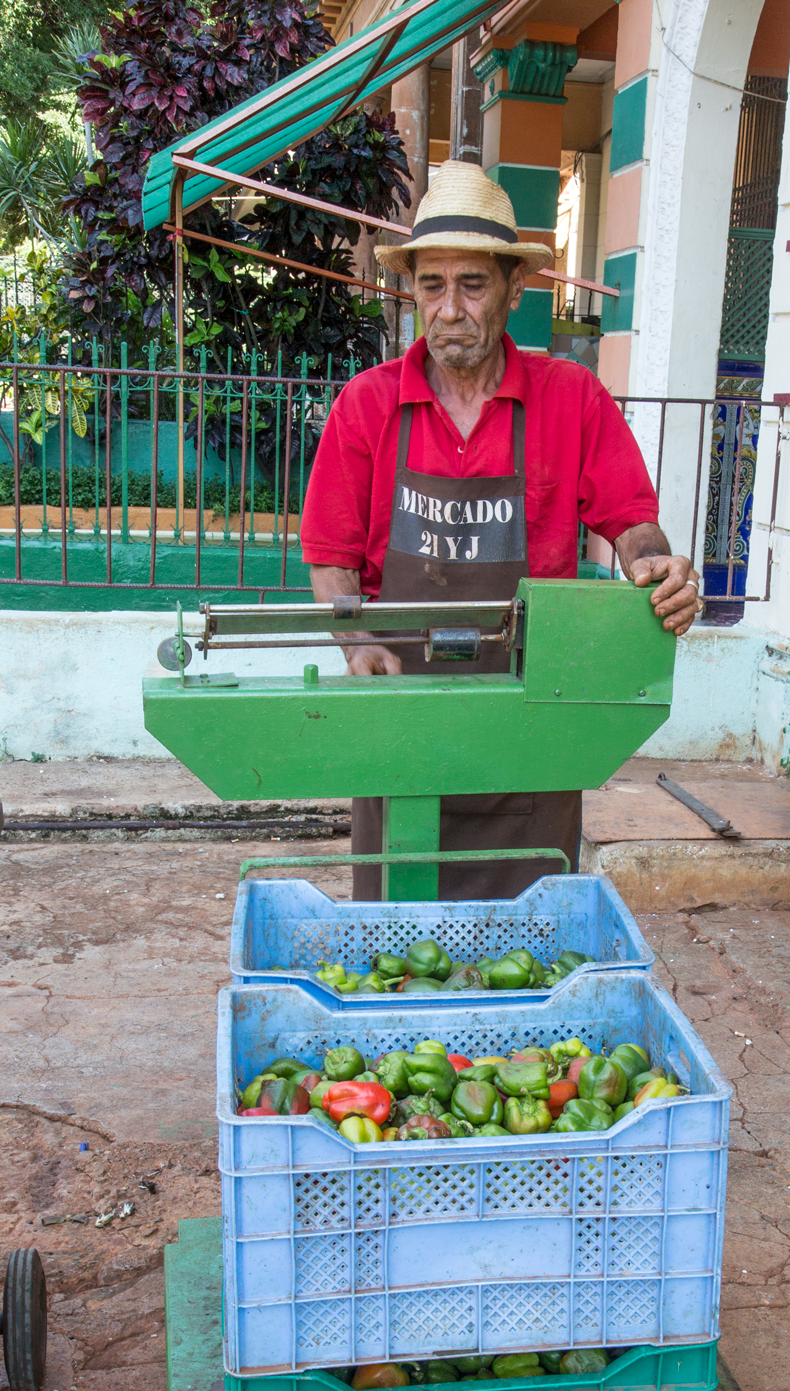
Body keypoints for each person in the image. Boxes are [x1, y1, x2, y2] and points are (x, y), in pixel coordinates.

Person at [300, 159, 703, 900]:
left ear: (514, 290)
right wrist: (356, 644)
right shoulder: (366, 406)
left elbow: (631, 524)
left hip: (531, 717)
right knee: (399, 938)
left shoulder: (570, 398)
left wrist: (654, 566)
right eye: (431, 285)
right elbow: (331, 558)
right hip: (402, 715)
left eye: (472, 284)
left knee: (530, 937)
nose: (450, 308)